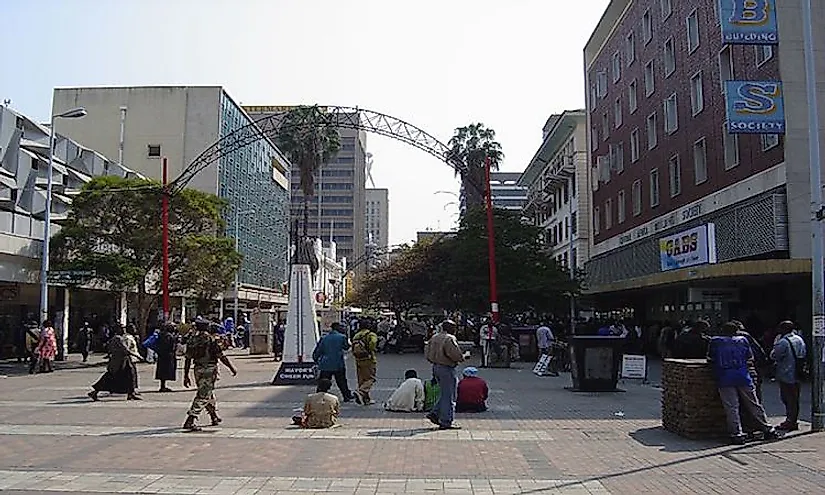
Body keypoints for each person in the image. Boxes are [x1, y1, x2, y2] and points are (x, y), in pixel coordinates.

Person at [707, 322, 778, 445]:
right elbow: (750, 357)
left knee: (732, 407)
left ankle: (737, 434)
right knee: (754, 404)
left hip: (725, 377)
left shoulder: (716, 341)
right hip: (743, 376)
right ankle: (767, 428)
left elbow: (710, 359)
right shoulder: (743, 340)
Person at [182, 320, 237, 431]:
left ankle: (213, 416)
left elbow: (187, 358)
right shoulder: (211, 340)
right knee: (203, 395)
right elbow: (221, 356)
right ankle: (191, 419)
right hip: (209, 369)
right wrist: (231, 368)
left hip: (197, 369)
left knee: (208, 392)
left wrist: (186, 375)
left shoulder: (192, 340)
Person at [425, 319, 465, 430]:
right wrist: (463, 357)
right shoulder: (449, 339)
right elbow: (455, 355)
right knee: (450, 396)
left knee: (444, 393)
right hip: (446, 368)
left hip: (436, 366)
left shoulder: (434, 337)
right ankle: (446, 421)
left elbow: (427, 354)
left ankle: (435, 412)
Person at [88, 326, 144, 401]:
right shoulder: (118, 338)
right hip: (119, 361)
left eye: (124, 329)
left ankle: (131, 393)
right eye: (122, 329)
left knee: (129, 376)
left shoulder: (118, 338)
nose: (124, 331)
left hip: (124, 360)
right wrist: (138, 356)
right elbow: (125, 350)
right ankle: (94, 392)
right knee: (110, 377)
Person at [771, 320, 807, 432]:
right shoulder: (799, 339)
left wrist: (775, 344)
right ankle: (793, 420)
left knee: (787, 398)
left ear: (783, 329)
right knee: (795, 399)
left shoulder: (783, 342)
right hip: (797, 373)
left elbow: (774, 356)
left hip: (786, 374)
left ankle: (790, 421)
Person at [312, 322, 354, 402]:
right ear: (338, 328)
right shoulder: (342, 337)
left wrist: (316, 360)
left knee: (323, 381)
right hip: (338, 363)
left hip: (325, 364)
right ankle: (346, 396)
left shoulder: (324, 338)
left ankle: (318, 396)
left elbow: (318, 351)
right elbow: (346, 347)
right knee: (341, 381)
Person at [351, 322, 379, 405]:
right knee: (371, 378)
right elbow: (373, 343)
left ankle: (366, 399)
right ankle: (360, 391)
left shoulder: (356, 335)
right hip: (369, 359)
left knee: (362, 379)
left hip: (358, 359)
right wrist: (371, 349)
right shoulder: (371, 335)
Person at [155, 324, 178, 392]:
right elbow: (172, 346)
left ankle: (162, 385)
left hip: (161, 355)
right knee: (166, 370)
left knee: (162, 371)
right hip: (168, 356)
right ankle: (163, 386)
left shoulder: (160, 335)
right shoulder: (169, 336)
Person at [123, 324, 141, 396]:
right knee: (131, 375)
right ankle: (131, 391)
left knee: (134, 375)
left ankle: (132, 390)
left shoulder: (132, 337)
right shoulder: (127, 338)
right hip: (130, 359)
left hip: (134, 359)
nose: (135, 329)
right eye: (133, 328)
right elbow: (127, 349)